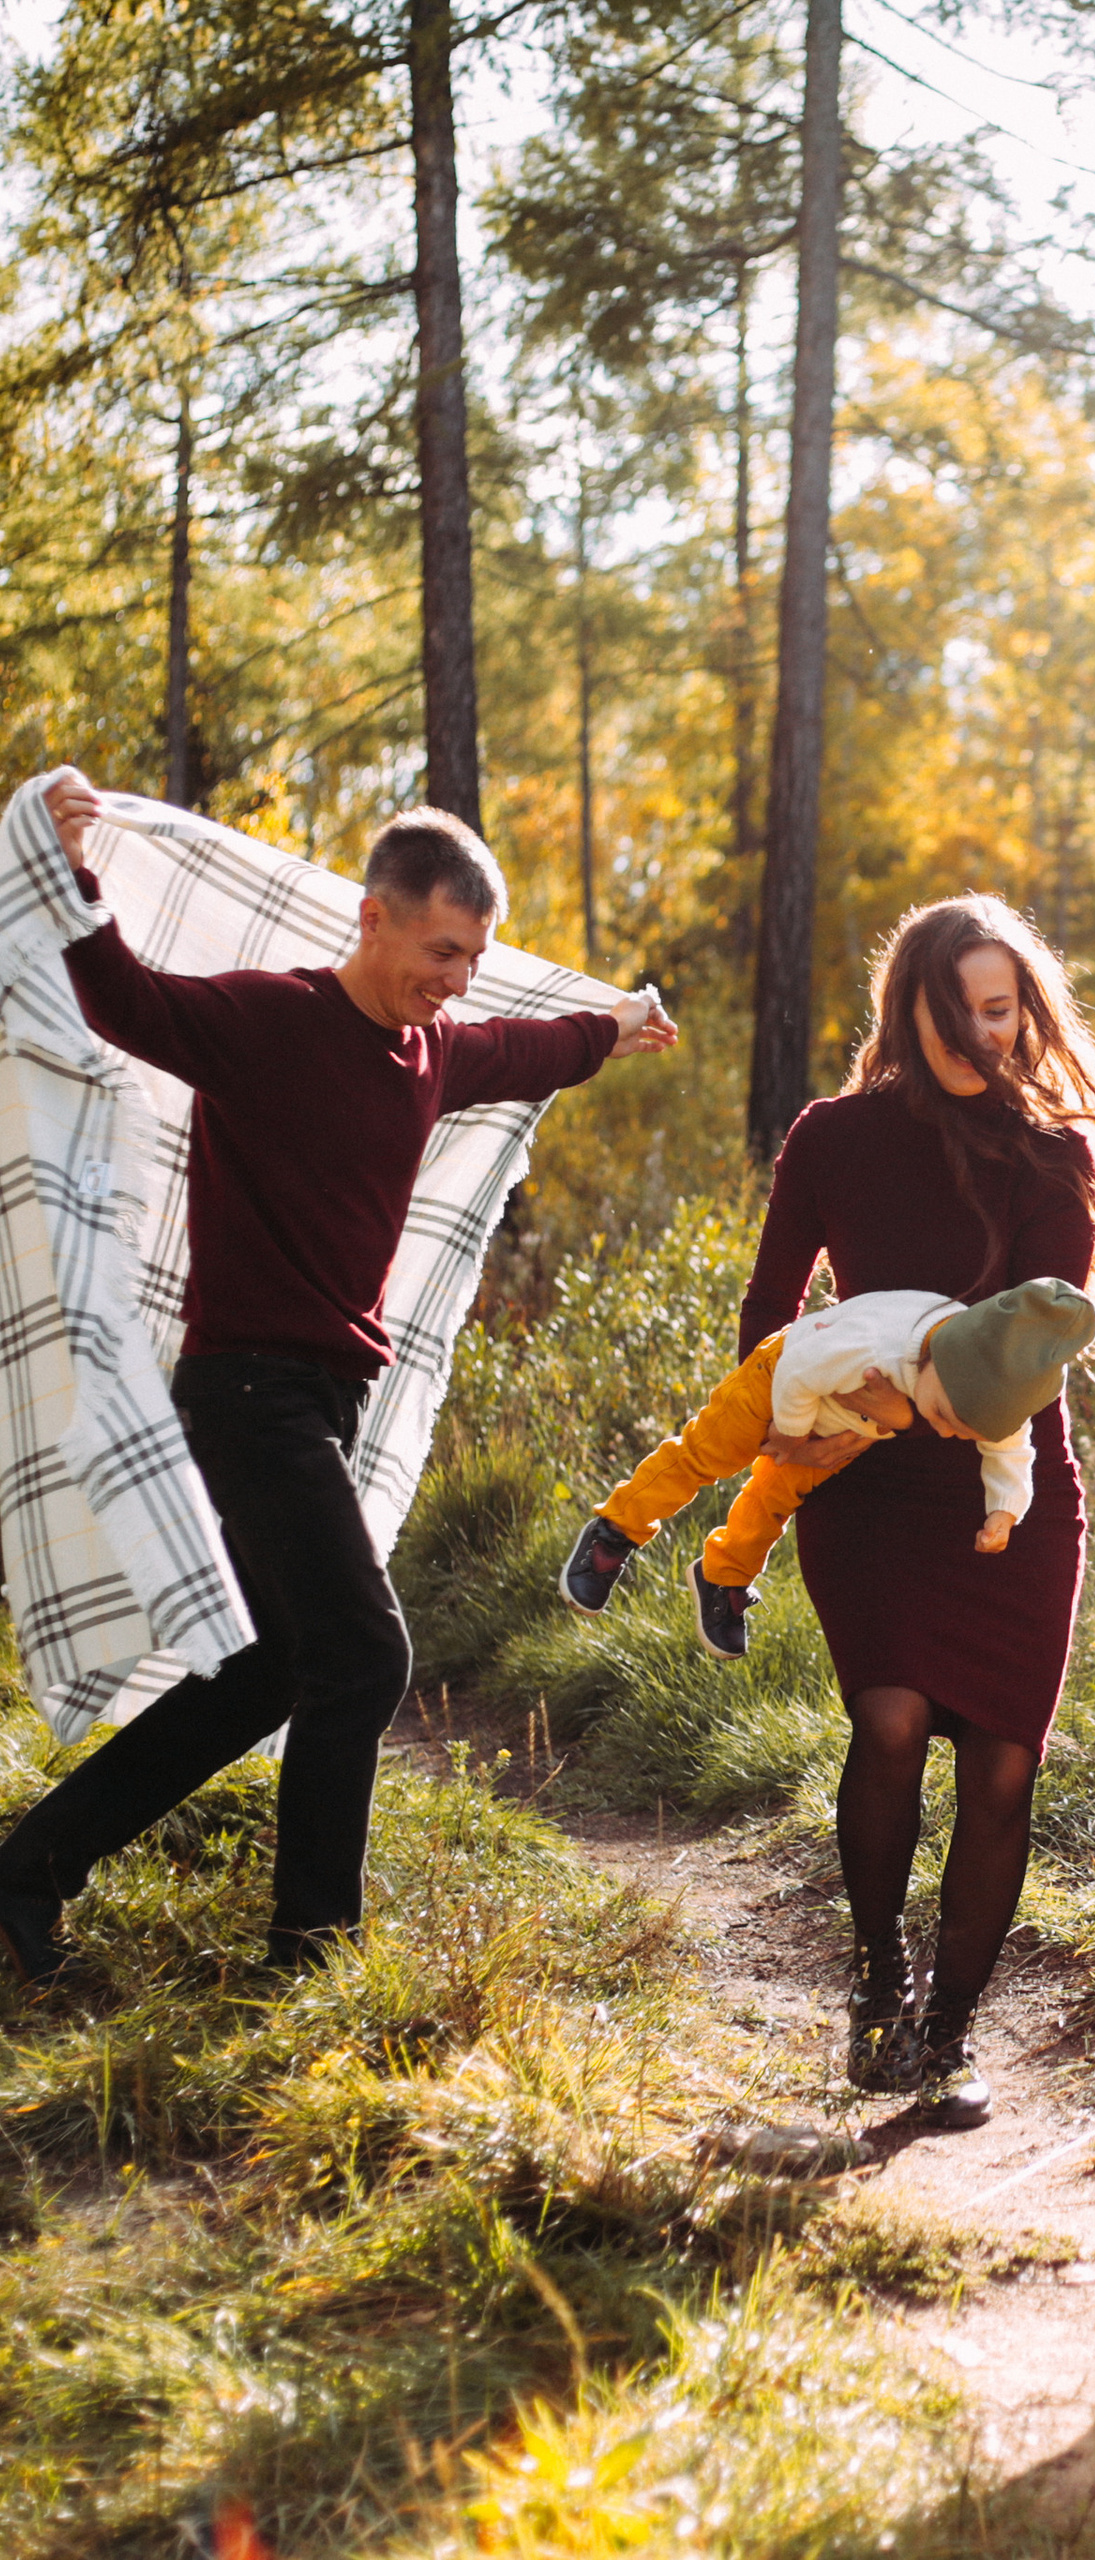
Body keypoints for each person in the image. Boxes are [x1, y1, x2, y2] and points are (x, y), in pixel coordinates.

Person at [0, 769, 677, 1991]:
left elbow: (532, 1045)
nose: (456, 979)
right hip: (245, 1391)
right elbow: (124, 1000)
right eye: (439, 950)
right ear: (373, 916)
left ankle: (33, 1862)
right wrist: (72, 872)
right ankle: (309, 1953)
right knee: (367, 1656)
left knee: (274, 1665)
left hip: (319, 1399)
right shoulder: (267, 1019)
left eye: (471, 957)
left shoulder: (432, 1053)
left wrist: (614, 1027)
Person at [739, 891, 1095, 2129]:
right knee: (887, 1723)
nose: (987, 1035)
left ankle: (948, 2039)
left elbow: (1029, 1350)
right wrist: (784, 1414)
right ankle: (879, 1981)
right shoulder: (830, 1138)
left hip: (1009, 1486)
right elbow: (767, 1316)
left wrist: (910, 1400)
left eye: (1004, 1009)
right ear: (911, 1009)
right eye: (962, 1011)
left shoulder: (1056, 1152)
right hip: (868, 1484)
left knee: (1002, 1769)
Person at [558, 1276, 1095, 1660]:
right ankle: (616, 1530)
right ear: (939, 1359)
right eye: (943, 1417)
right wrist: (791, 1439)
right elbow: (798, 1370)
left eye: (964, 1433)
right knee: (703, 1455)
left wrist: (1003, 1511)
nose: (948, 1435)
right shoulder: (879, 1343)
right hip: (781, 1382)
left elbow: (1010, 1449)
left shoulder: (991, 1392)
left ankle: (723, 1577)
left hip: (846, 1427)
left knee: (775, 1498)